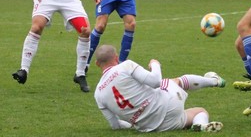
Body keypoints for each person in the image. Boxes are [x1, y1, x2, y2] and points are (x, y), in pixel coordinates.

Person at [94, 44, 225, 133]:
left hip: (150, 127)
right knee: (174, 82)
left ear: (97, 64)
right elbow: (155, 82)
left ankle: (200, 126)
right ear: (116, 57)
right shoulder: (126, 66)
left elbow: (115, 126)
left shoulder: (98, 94)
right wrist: (155, 64)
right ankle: (215, 81)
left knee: (194, 112)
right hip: (167, 107)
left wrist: (133, 122)